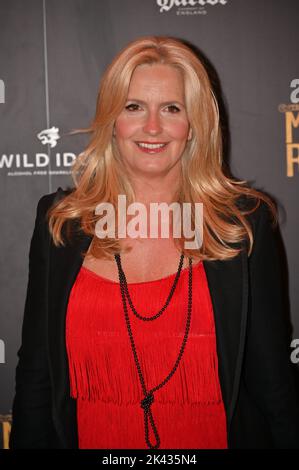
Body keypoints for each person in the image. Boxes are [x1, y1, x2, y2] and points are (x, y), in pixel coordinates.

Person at [10, 36, 299, 449]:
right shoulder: (64, 223)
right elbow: (37, 374)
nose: (152, 127)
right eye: (134, 107)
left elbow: (274, 384)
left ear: (193, 123)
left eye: (171, 108)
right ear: (113, 119)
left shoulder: (240, 226)